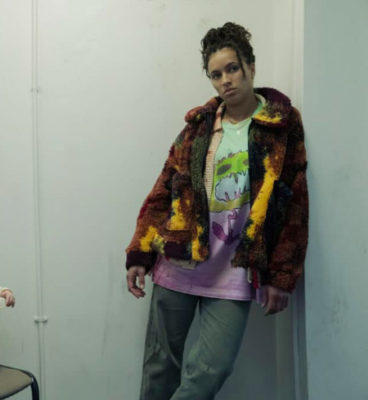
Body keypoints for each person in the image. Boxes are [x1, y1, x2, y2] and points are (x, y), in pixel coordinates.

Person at [125, 22, 308, 399]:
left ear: (251, 67)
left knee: (210, 371)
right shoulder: (198, 127)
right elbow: (163, 189)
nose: (226, 80)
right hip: (178, 263)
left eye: (232, 69)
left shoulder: (281, 125)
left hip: (234, 272)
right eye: (216, 74)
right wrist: (140, 251)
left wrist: (281, 274)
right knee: (160, 367)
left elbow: (295, 203)